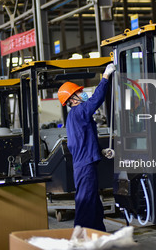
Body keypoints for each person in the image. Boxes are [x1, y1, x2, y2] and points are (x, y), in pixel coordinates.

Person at [57, 63, 116, 231]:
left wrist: (101, 151)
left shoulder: (75, 116)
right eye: (78, 92)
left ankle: (98, 234)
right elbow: (97, 99)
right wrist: (105, 77)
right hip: (85, 166)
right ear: (72, 99)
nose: (82, 93)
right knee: (86, 202)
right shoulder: (80, 111)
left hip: (85, 163)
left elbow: (83, 140)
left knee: (94, 202)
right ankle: (80, 237)